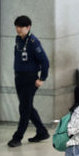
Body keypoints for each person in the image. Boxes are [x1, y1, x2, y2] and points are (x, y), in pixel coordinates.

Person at [8, 15, 49, 147]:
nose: (18, 29)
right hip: (19, 77)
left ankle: (17, 137)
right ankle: (42, 131)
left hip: (30, 78)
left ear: (28, 27)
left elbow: (45, 61)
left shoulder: (33, 42)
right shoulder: (18, 39)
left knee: (24, 108)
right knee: (27, 106)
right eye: (17, 26)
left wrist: (42, 78)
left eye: (21, 27)